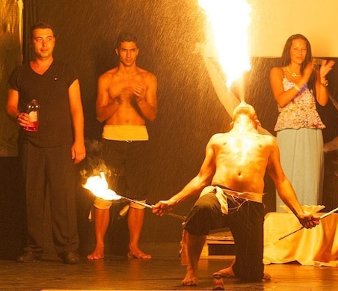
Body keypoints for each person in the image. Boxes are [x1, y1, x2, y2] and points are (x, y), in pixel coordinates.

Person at [152, 103, 318, 286]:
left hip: (250, 203)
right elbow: (201, 178)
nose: (243, 104)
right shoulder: (218, 140)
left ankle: (239, 267)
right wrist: (172, 201)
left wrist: (299, 213)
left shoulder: (268, 142)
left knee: (252, 274)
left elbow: (281, 181)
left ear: (257, 121)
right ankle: (192, 269)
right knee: (201, 210)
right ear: (231, 122)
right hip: (220, 196)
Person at [6, 22, 86, 264]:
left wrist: (79, 141)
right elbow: (10, 105)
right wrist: (17, 115)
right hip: (31, 144)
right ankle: (33, 247)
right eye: (38, 39)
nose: (43, 43)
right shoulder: (20, 73)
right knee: (31, 198)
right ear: (32, 42)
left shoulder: (66, 71)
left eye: (48, 38)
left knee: (63, 199)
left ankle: (67, 248)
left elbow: (76, 109)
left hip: (61, 144)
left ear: (54, 41)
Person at [88, 33, 157, 260]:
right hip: (112, 138)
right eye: (124, 50)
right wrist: (117, 100)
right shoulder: (106, 79)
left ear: (137, 51)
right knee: (103, 193)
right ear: (117, 51)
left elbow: (152, 115)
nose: (128, 55)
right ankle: (99, 246)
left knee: (138, 196)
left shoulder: (148, 78)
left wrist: (140, 100)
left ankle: (134, 247)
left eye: (132, 50)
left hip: (139, 139)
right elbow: (99, 115)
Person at [269, 34, 334, 210]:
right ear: (288, 50)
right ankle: (286, 220)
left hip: (312, 131)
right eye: (296, 48)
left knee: (310, 178)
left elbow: (322, 101)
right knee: (288, 176)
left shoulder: (312, 74)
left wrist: (321, 79)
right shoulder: (278, 71)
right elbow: (282, 100)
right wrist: (303, 79)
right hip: (288, 131)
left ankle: (309, 221)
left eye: (303, 49)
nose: (300, 53)